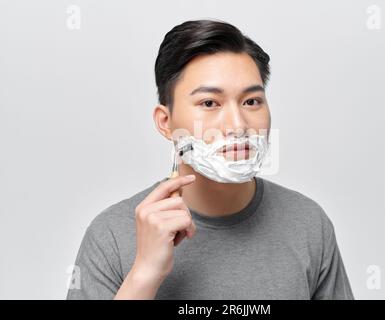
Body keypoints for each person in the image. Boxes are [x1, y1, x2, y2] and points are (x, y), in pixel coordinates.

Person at [66, 19, 354, 300]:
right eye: (209, 103)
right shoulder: (112, 235)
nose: (238, 125)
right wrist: (144, 274)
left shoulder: (307, 223)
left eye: (251, 101)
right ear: (165, 122)